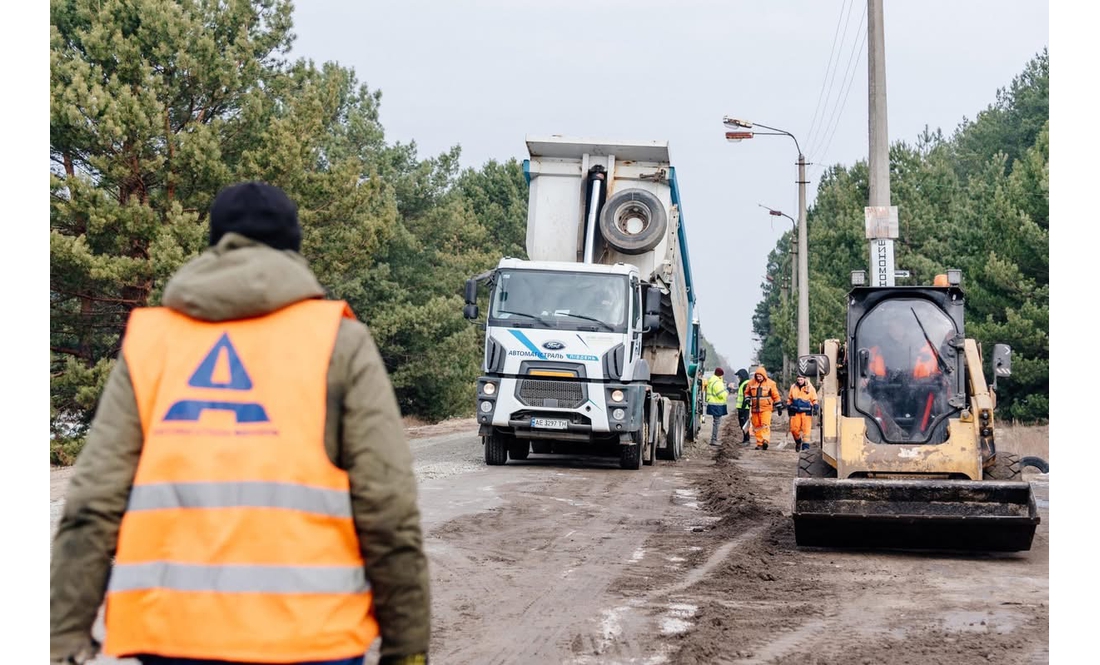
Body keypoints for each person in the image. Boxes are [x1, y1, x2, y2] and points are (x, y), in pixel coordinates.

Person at [50, 182, 430, 665]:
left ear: (216, 246)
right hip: (310, 638)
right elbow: (389, 508)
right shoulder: (339, 341)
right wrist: (407, 650)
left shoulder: (153, 342)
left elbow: (92, 501)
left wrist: (63, 639)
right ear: (293, 251)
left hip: (171, 637)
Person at [744, 366, 783, 450]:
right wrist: (747, 399)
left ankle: (765, 440)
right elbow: (747, 392)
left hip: (766, 408)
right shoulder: (751, 383)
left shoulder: (771, 383)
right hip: (755, 409)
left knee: (765, 425)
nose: (759, 378)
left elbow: (775, 395)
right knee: (757, 426)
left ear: (764, 375)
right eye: (757, 376)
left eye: (760, 376)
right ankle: (759, 443)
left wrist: (779, 406)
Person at [787, 373, 819, 451]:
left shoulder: (810, 388)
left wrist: (815, 405)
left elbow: (814, 398)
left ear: (804, 379)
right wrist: (788, 406)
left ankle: (805, 447)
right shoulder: (793, 387)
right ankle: (798, 442)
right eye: (798, 380)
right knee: (794, 429)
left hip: (806, 412)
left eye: (801, 379)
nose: (800, 381)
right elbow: (790, 398)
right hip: (795, 412)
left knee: (806, 431)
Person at [704, 367, 730, 446]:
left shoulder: (711, 381)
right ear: (721, 375)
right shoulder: (718, 383)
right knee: (717, 423)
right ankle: (714, 439)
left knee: (716, 422)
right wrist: (727, 391)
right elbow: (721, 395)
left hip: (713, 404)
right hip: (717, 405)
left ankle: (714, 439)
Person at [733, 368, 751, 444]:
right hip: (742, 408)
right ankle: (745, 438)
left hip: (745, 408)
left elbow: (746, 397)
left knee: (745, 424)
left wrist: (743, 407)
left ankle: (747, 439)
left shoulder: (746, 384)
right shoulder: (743, 383)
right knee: (742, 424)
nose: (738, 378)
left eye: (739, 376)